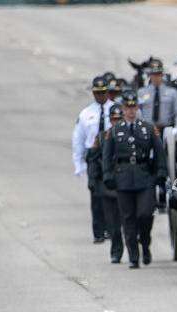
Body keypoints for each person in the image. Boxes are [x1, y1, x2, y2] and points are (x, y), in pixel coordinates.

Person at [102, 92, 167, 269]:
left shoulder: (147, 128)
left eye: (133, 107)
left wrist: (161, 172)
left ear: (137, 108)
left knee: (145, 214)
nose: (130, 111)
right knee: (128, 218)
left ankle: (145, 243)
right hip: (123, 179)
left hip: (144, 176)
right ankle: (133, 255)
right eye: (127, 108)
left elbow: (159, 152)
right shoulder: (114, 131)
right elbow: (107, 156)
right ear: (123, 109)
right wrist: (107, 175)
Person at [72, 75, 115, 243]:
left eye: (103, 92)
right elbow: (78, 139)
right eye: (97, 93)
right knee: (96, 194)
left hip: (111, 155)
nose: (100, 96)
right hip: (94, 156)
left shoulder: (116, 109)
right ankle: (98, 232)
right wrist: (79, 164)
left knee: (112, 194)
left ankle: (112, 229)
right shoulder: (86, 113)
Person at [87, 104, 126, 263]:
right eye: (114, 119)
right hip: (108, 186)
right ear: (110, 120)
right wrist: (92, 181)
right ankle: (116, 252)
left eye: (119, 119)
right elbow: (93, 160)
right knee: (113, 225)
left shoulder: (132, 135)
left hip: (126, 185)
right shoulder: (102, 137)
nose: (116, 122)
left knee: (129, 222)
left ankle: (133, 252)